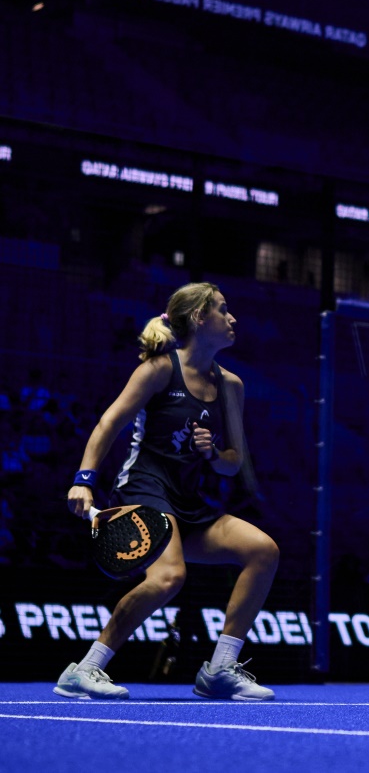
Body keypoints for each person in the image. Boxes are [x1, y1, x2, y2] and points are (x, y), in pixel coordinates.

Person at [57, 282, 280, 701]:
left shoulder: (231, 385)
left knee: (263, 550)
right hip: (143, 489)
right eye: (223, 310)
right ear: (199, 318)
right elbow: (109, 424)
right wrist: (83, 480)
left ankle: (219, 670)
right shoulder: (159, 369)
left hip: (187, 500)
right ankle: (84, 670)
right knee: (168, 577)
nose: (232, 319)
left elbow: (233, 463)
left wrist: (212, 452)